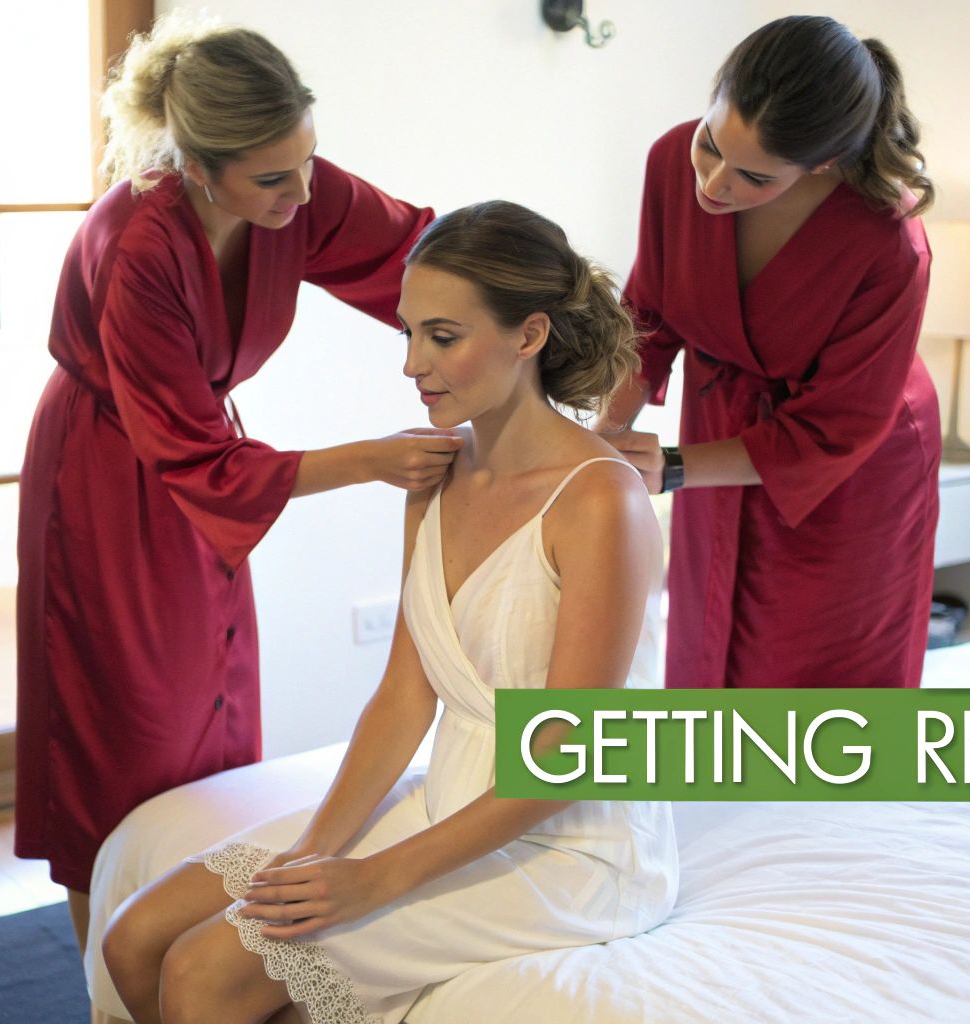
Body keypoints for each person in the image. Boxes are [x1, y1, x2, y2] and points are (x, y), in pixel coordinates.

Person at [97, 201, 678, 1024]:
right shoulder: (437, 473)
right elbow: (406, 695)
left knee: (202, 973)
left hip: (566, 844)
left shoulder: (601, 504)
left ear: (530, 335)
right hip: (449, 797)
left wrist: (373, 878)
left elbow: (568, 761)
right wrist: (314, 850)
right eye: (406, 334)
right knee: (136, 935)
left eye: (442, 336)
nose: (413, 363)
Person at [15, 11, 455, 954]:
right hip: (108, 478)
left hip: (194, 468)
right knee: (124, 729)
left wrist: (545, 302)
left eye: (307, 161)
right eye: (272, 178)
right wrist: (374, 459)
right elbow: (193, 456)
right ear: (198, 166)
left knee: (209, 710)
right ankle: (106, 976)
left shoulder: (293, 191)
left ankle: (189, 943)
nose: (303, 192)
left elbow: (417, 251)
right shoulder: (139, 244)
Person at [599, 14, 941, 690]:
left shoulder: (887, 242)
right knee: (706, 649)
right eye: (710, 144)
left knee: (811, 678)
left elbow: (839, 426)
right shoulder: (672, 161)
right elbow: (647, 317)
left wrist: (672, 466)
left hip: (850, 469)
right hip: (720, 431)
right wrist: (606, 433)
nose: (713, 185)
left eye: (754, 177)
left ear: (823, 163)